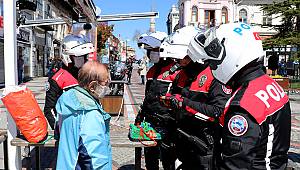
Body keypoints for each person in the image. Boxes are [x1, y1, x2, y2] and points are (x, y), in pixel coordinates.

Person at [188, 23, 291, 169]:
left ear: (233, 53)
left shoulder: (243, 105)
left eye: (213, 60)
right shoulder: (269, 84)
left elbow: (237, 164)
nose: (211, 65)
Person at [160, 29, 231, 170]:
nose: (179, 61)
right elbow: (175, 97)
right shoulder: (182, 75)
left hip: (204, 143)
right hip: (183, 139)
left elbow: (219, 111)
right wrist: (169, 101)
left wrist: (184, 103)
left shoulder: (214, 75)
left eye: (183, 58)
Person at [135, 31, 181, 170]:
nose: (150, 54)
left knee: (168, 160)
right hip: (150, 122)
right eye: (149, 51)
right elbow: (148, 97)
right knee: (150, 158)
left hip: (168, 123)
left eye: (152, 50)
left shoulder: (176, 71)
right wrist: (140, 116)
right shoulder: (152, 71)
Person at [55, 61, 112, 169]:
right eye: (105, 83)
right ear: (92, 86)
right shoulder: (89, 114)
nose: (108, 87)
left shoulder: (67, 101)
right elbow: (94, 159)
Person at [44, 33, 94, 130]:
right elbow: (49, 109)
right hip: (67, 128)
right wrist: (59, 129)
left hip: (86, 129)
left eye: (85, 56)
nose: (84, 60)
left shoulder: (86, 75)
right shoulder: (57, 79)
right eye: (79, 57)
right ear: (68, 57)